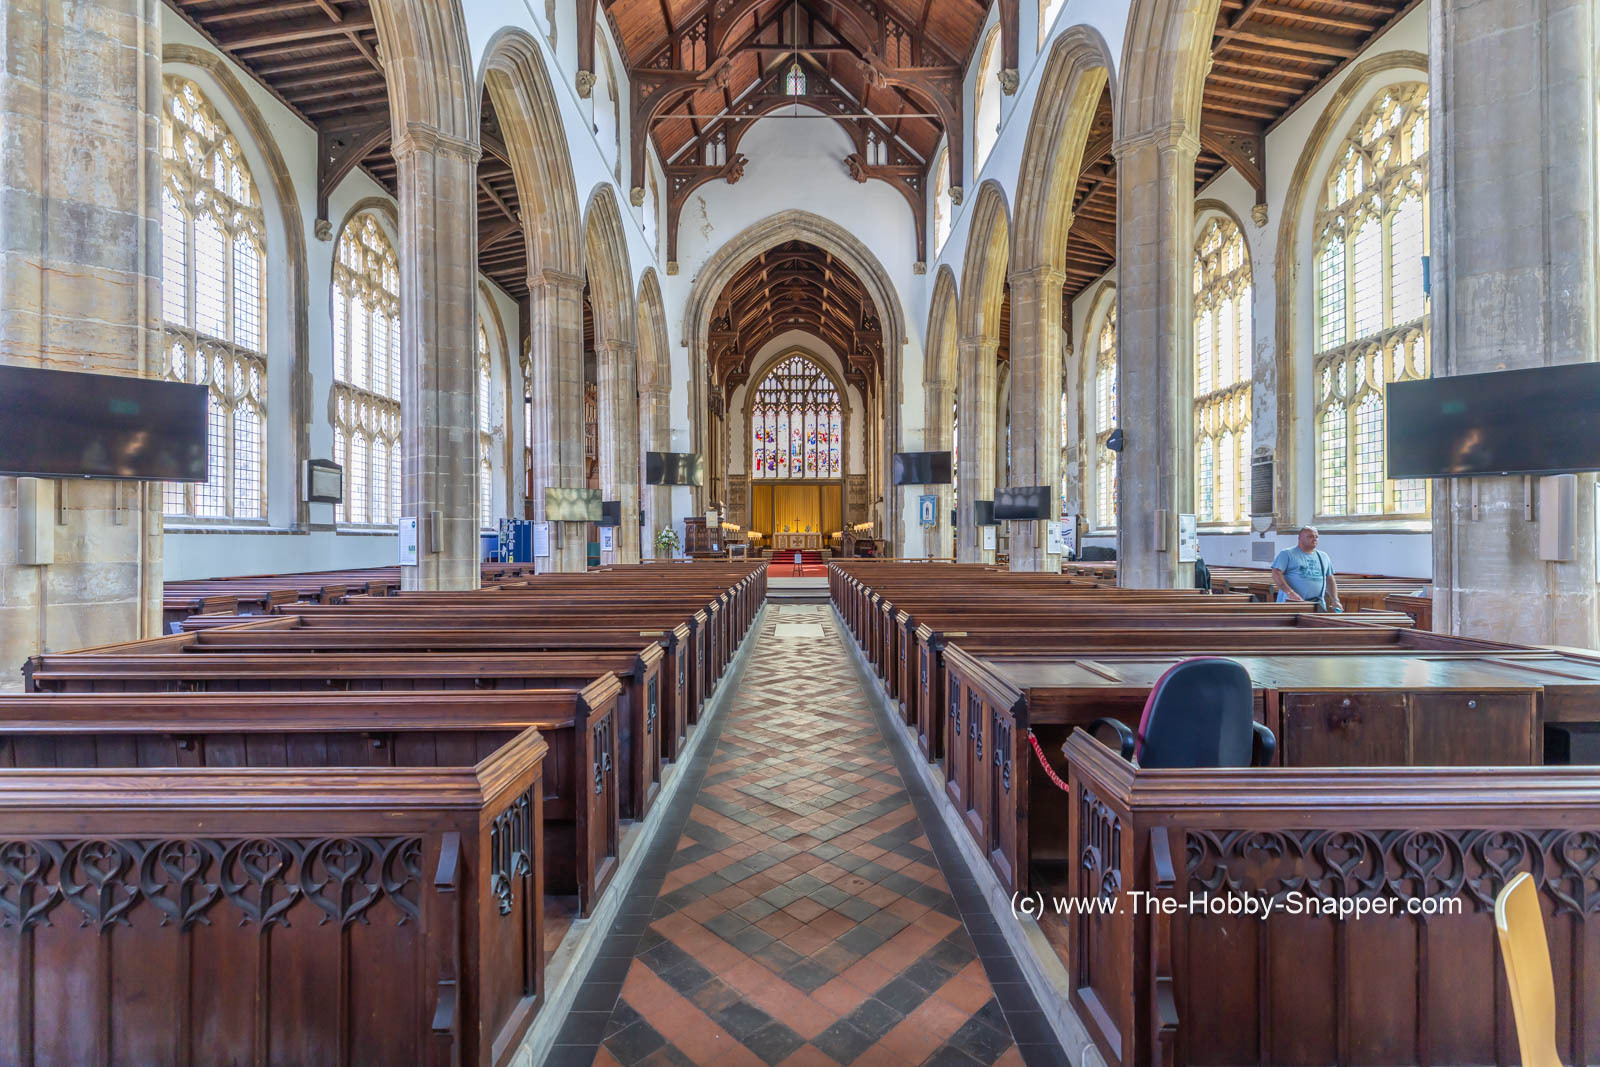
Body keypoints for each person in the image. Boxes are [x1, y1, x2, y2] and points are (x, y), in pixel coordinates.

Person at [1271, 526, 1342, 611]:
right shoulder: (1287, 554)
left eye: (1316, 537)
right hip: (1292, 602)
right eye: (1310, 536)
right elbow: (1276, 574)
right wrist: (1290, 592)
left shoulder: (1323, 556)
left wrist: (1335, 599)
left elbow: (1329, 579)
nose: (1315, 539)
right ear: (1300, 538)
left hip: (1317, 604)